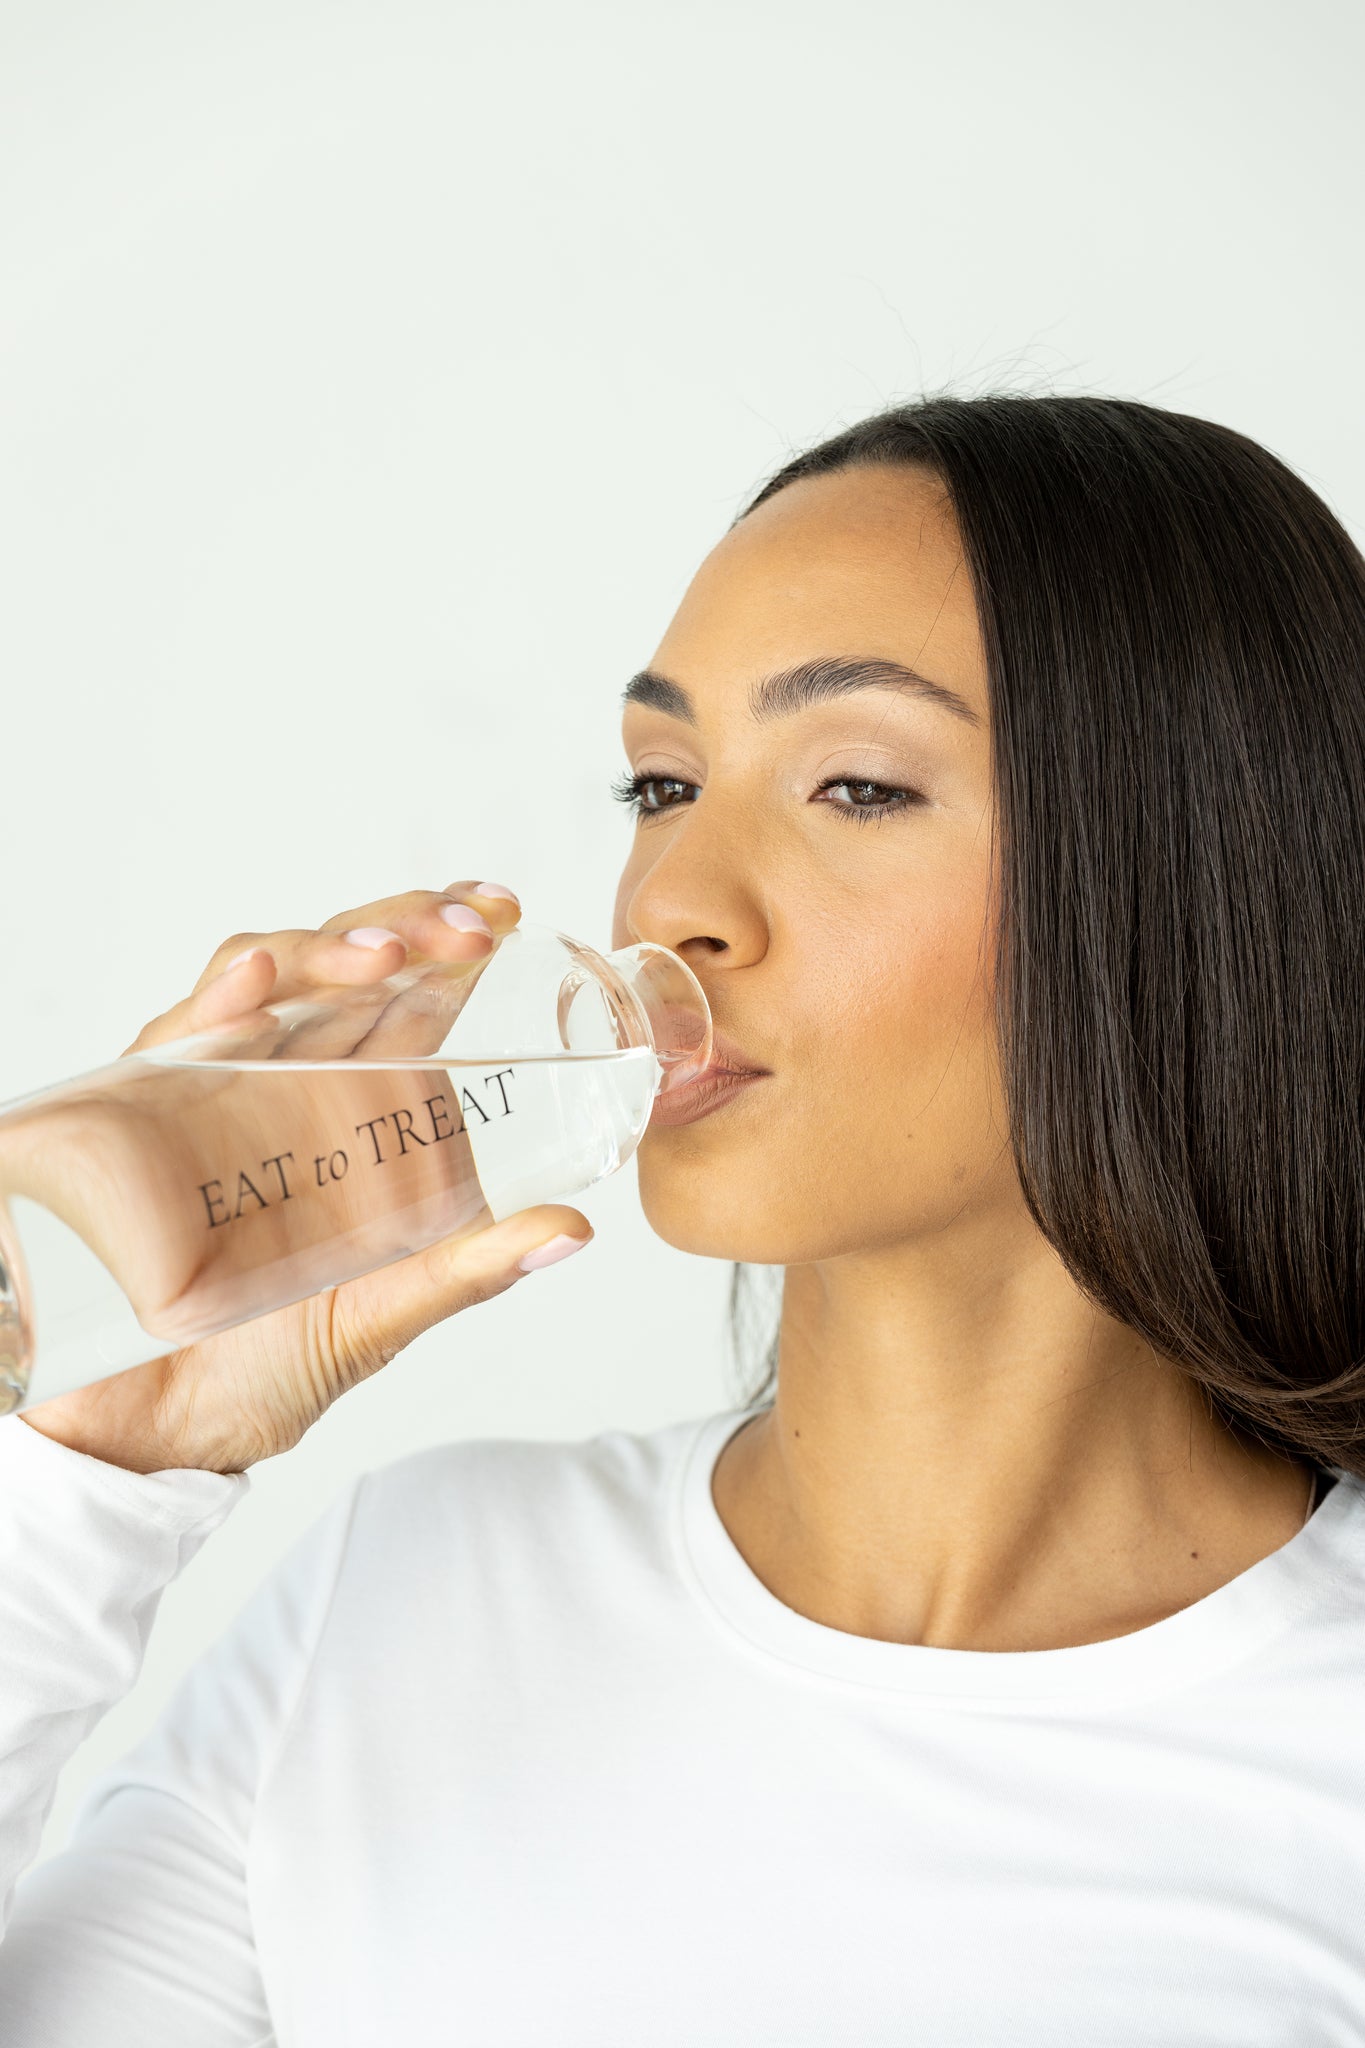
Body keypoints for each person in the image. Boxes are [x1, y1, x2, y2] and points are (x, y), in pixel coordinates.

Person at [1, 392, 1362, 2044]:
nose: (672, 907)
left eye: (855, 787)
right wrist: (86, 1478)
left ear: (1194, 877)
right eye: (662, 786)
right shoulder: (408, 1599)